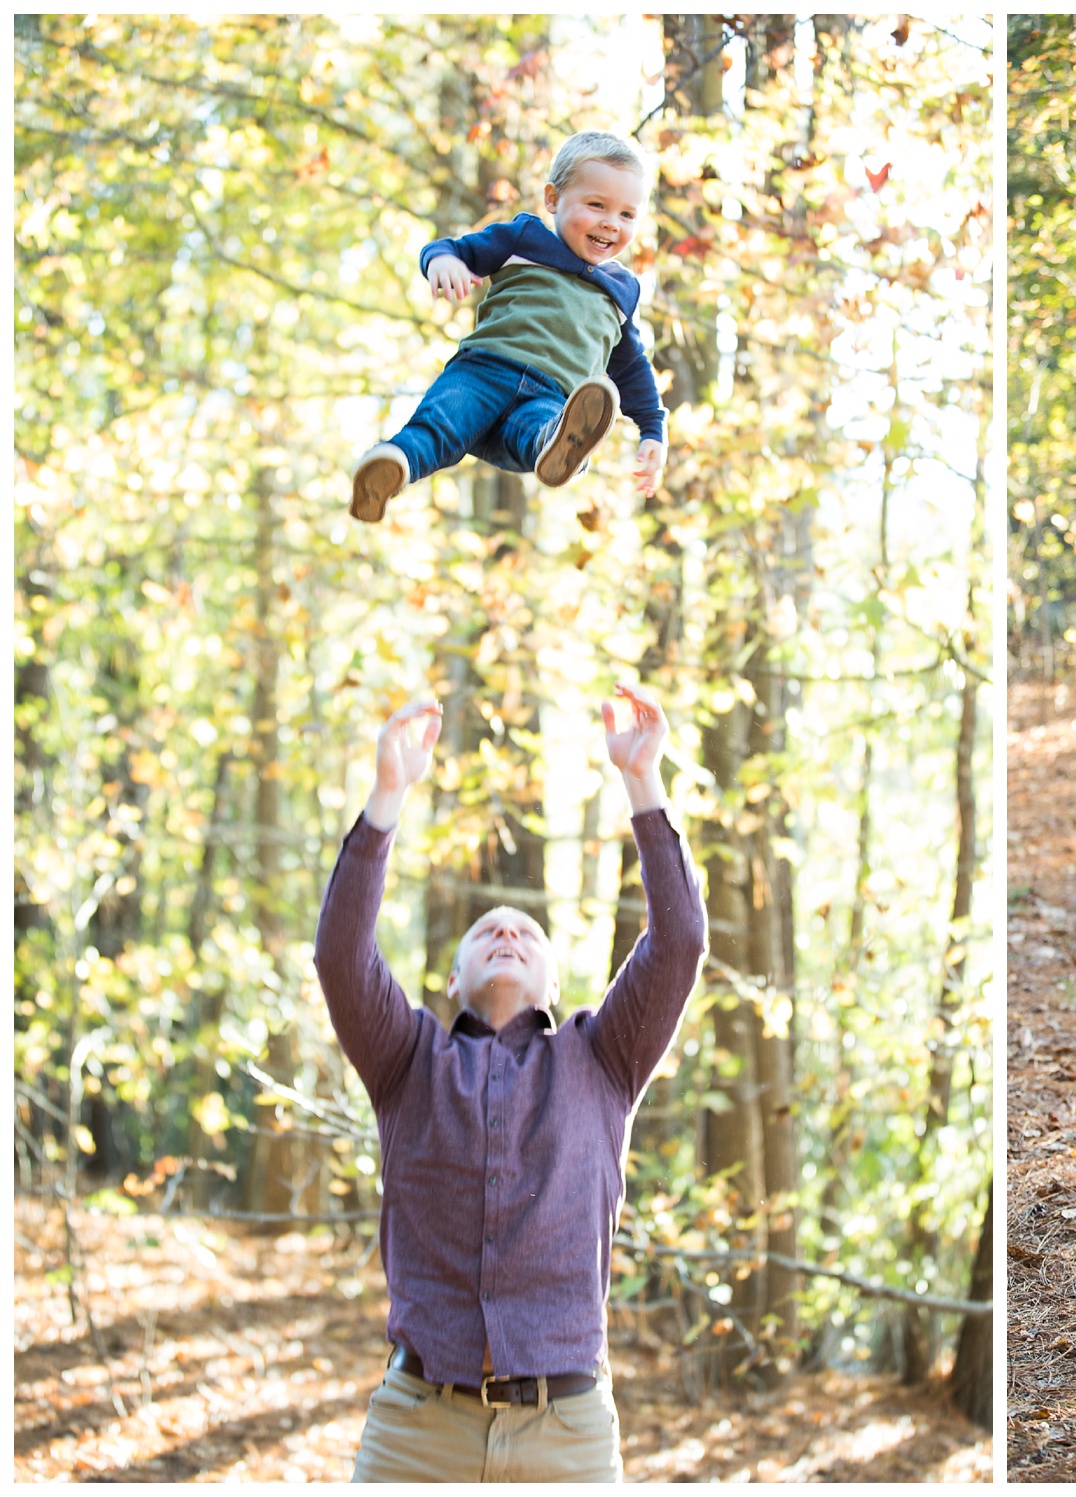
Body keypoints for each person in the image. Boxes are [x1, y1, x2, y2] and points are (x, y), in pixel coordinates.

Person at [316, 683, 705, 1480]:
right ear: (455, 979)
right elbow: (341, 957)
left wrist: (642, 781)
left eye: (525, 931)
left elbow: (680, 942)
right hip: (415, 1431)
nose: (505, 930)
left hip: (566, 1436)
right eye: (486, 930)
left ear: (552, 981)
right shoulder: (406, 1059)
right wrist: (386, 798)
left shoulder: (604, 1059)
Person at [348, 130, 666, 523]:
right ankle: (390, 466)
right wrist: (442, 262)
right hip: (483, 371)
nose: (611, 223)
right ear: (553, 199)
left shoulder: (623, 290)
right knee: (442, 426)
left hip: (552, 398)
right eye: (597, 205)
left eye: (626, 214)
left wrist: (652, 427)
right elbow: (451, 248)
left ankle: (559, 447)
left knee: (538, 432)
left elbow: (632, 367)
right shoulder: (523, 239)